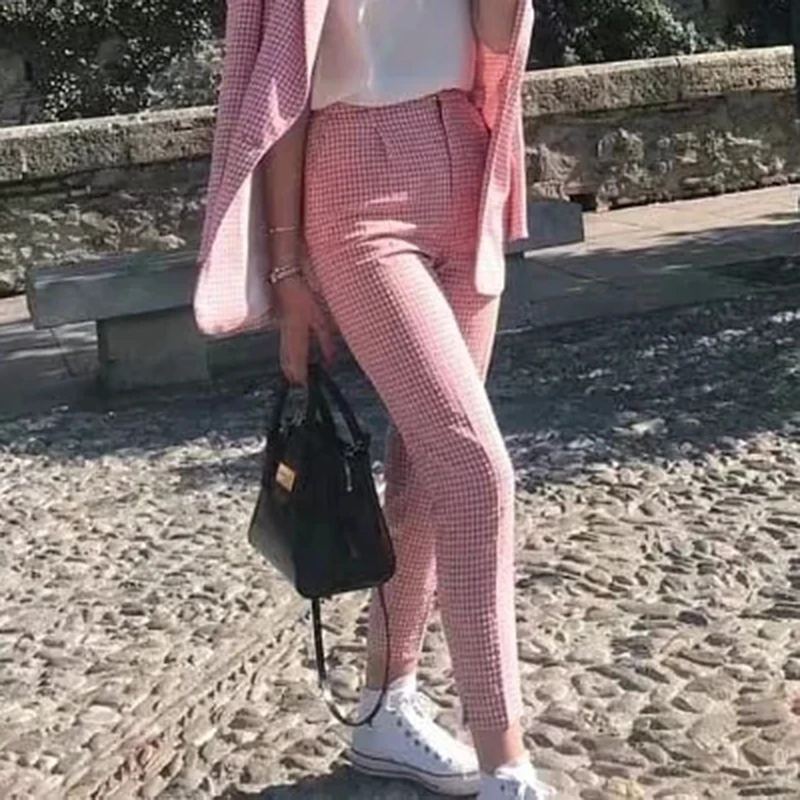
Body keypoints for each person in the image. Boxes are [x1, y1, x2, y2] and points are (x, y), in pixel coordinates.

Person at [194, 1, 550, 798]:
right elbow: (280, 92)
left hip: (467, 160)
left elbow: (494, 37)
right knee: (476, 471)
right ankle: (506, 764)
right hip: (356, 185)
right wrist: (287, 271)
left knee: (427, 471)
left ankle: (386, 705)